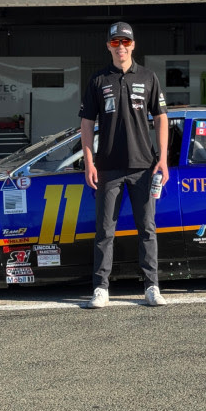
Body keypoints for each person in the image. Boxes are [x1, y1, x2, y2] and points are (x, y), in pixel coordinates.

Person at [78, 22, 170, 308]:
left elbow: (161, 117)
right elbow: (86, 123)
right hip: (108, 167)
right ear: (108, 46)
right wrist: (89, 162)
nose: (121, 47)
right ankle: (101, 288)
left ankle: (152, 286)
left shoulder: (148, 77)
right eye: (116, 42)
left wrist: (163, 158)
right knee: (104, 231)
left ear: (133, 45)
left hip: (144, 166)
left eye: (126, 42)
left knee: (147, 229)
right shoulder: (98, 80)